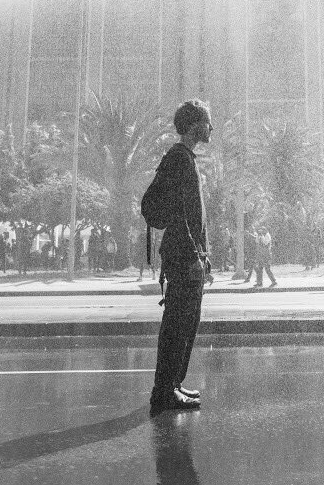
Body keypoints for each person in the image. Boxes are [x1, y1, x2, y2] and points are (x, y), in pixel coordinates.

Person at [149, 100, 213, 414]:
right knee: (177, 324)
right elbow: (181, 215)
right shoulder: (178, 158)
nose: (211, 128)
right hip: (182, 257)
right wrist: (193, 257)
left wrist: (205, 254)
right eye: (207, 121)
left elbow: (196, 214)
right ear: (193, 125)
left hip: (190, 256)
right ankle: (163, 392)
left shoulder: (187, 158)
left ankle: (173, 384)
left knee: (187, 323)